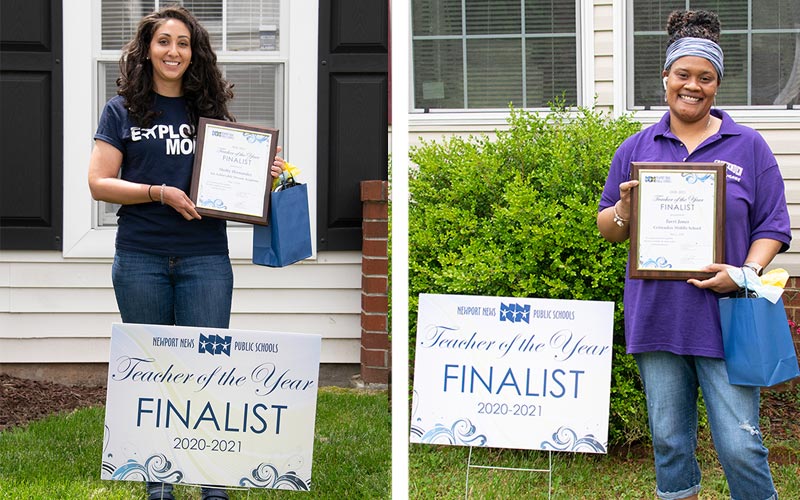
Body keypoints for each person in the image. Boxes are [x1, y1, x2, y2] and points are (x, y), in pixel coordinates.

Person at [88, 6, 284, 500]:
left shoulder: (208, 115)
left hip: (204, 259)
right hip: (141, 257)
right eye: (163, 42)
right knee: (153, 371)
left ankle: (211, 482)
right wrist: (158, 192)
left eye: (183, 43)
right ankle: (160, 481)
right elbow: (98, 183)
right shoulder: (122, 110)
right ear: (146, 50)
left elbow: (231, 180)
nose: (173, 51)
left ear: (193, 53)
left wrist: (264, 173)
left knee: (206, 370)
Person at [597, 9, 790, 500]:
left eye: (705, 77)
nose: (693, 85)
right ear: (665, 78)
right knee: (669, 441)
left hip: (728, 316)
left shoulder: (749, 147)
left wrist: (745, 272)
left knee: (740, 444)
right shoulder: (637, 147)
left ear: (717, 85)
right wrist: (623, 207)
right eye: (683, 74)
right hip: (658, 315)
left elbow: (772, 227)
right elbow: (608, 229)